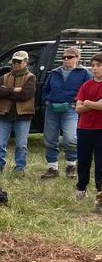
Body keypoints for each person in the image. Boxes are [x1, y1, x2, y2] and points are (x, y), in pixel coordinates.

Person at [41, 46, 91, 179]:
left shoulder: (84, 73)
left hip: (70, 109)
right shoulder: (54, 72)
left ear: (77, 58)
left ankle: (71, 165)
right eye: (64, 57)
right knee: (50, 139)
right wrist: (46, 100)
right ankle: (52, 168)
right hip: (52, 108)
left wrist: (78, 103)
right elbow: (45, 89)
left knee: (70, 138)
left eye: (70, 57)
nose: (66, 60)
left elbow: (89, 91)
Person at [0, 50, 37, 173]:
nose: (16, 64)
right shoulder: (4, 77)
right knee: (0, 143)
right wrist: (14, 90)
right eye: (14, 61)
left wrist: (6, 91)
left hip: (23, 115)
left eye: (19, 61)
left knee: (21, 144)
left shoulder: (31, 77)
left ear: (26, 62)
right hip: (4, 114)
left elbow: (25, 95)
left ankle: (19, 168)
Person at [74, 52, 102, 212]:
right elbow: (78, 108)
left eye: (98, 65)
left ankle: (100, 194)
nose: (95, 68)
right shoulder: (86, 85)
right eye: (93, 66)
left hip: (100, 129)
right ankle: (81, 188)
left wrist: (88, 103)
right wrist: (95, 104)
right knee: (83, 161)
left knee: (100, 164)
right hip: (84, 128)